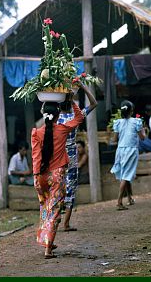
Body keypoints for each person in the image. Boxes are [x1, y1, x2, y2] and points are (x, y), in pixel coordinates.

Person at [31, 100, 84, 258]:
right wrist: (72, 100)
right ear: (58, 114)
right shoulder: (62, 129)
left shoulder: (36, 132)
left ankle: (48, 241)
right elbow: (80, 117)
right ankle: (48, 249)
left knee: (45, 209)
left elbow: (35, 157)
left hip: (40, 176)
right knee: (54, 212)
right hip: (57, 176)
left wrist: (35, 177)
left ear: (43, 112)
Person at [57, 82, 97, 231]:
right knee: (71, 187)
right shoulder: (76, 115)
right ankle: (66, 223)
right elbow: (94, 103)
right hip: (72, 155)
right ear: (72, 101)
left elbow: (44, 108)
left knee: (57, 186)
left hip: (58, 155)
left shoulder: (55, 117)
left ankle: (55, 220)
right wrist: (82, 86)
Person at [110, 100, 146, 210]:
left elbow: (115, 139)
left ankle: (130, 198)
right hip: (131, 151)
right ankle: (119, 202)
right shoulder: (137, 121)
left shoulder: (118, 122)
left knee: (125, 174)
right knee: (126, 176)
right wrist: (143, 130)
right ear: (132, 111)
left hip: (120, 150)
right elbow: (142, 137)